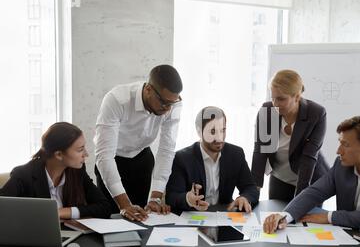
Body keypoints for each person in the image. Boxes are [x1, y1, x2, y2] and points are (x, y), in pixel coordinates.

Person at [263, 116, 360, 233]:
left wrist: (330, 217)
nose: (338, 151)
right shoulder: (342, 165)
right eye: (340, 142)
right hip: (352, 239)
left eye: (346, 145)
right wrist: (286, 216)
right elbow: (315, 192)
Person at [94, 65, 183, 221]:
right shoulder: (116, 100)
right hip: (113, 161)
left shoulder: (172, 103)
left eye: (172, 104)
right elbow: (104, 156)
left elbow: (166, 151)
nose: (168, 109)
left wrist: (155, 198)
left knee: (143, 219)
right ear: (148, 89)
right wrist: (124, 204)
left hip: (142, 160)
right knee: (111, 219)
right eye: (164, 103)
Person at [0, 122, 111, 219]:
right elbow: (3, 208)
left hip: (72, 236)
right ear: (58, 154)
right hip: (34, 238)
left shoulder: (77, 171)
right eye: (80, 149)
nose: (86, 154)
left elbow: (104, 207)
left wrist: (63, 212)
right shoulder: (23, 175)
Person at [252, 69, 329, 202]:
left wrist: (299, 201)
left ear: (297, 97)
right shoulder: (267, 111)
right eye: (273, 97)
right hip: (280, 176)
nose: (275, 104)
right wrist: (252, 192)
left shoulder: (316, 113)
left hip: (309, 179)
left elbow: (308, 158)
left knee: (301, 219)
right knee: (275, 217)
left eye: (281, 99)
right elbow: (260, 151)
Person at [165, 106, 259, 213]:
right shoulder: (182, 158)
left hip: (224, 215)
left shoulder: (236, 154)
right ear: (199, 131)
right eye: (212, 131)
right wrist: (187, 198)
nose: (219, 138)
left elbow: (250, 187)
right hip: (194, 216)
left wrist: (244, 198)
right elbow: (172, 196)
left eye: (222, 130)